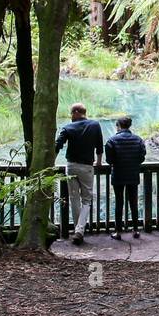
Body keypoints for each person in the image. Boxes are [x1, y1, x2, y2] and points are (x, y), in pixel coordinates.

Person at [54, 102, 103, 245]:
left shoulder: (68, 127)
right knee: (86, 200)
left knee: (74, 198)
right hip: (87, 167)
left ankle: (78, 230)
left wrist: (52, 162)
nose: (70, 117)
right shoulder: (95, 125)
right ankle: (79, 230)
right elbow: (99, 146)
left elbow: (58, 144)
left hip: (71, 166)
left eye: (71, 113)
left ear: (76, 112)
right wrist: (99, 162)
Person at [104, 116, 147, 240]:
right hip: (133, 174)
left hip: (118, 175)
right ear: (129, 126)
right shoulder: (138, 140)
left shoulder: (112, 140)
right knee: (133, 202)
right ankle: (135, 230)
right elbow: (142, 157)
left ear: (118, 126)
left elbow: (109, 160)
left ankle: (118, 232)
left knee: (119, 202)